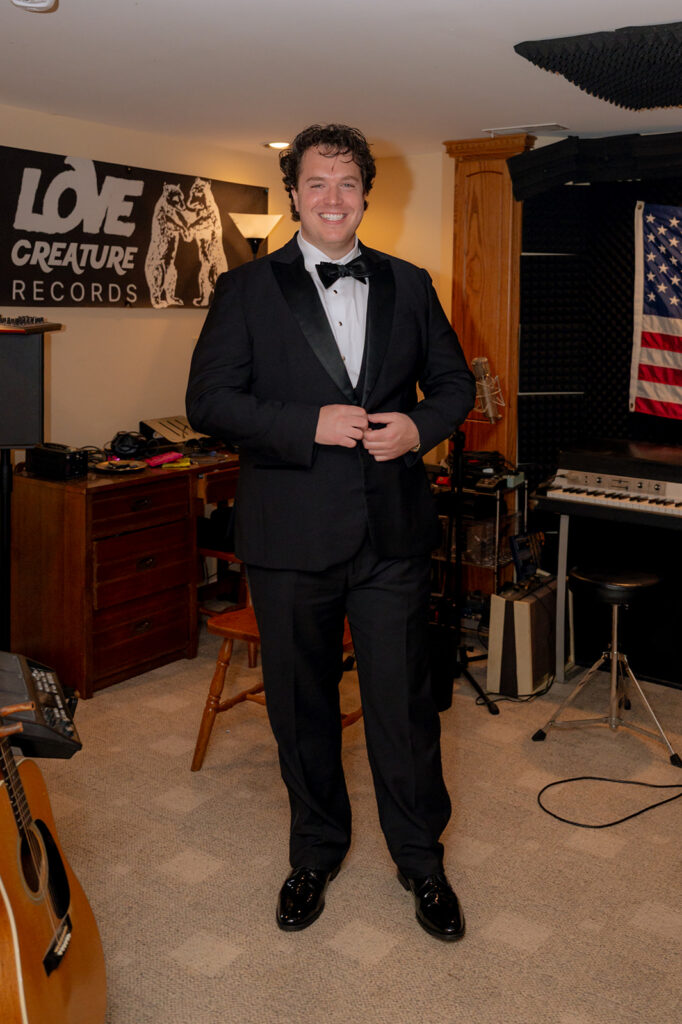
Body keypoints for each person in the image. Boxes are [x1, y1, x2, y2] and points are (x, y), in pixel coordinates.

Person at [186, 124, 475, 941]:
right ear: (293, 195)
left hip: (392, 534)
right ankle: (314, 851)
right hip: (289, 537)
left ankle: (422, 861)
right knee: (301, 707)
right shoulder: (245, 292)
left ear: (367, 194)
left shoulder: (411, 283)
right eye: (317, 183)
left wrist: (419, 429)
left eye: (348, 183)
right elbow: (210, 402)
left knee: (404, 706)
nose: (333, 198)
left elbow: (452, 385)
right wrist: (308, 422)